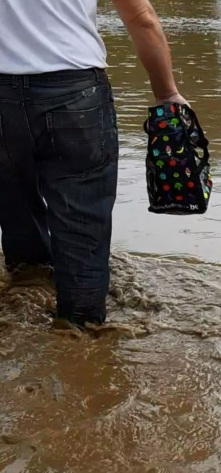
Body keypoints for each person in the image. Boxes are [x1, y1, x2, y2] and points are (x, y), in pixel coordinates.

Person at [0, 0, 187, 326]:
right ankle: (79, 335)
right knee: (81, 222)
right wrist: (166, 93)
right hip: (74, 95)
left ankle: (24, 301)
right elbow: (141, 17)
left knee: (14, 206)